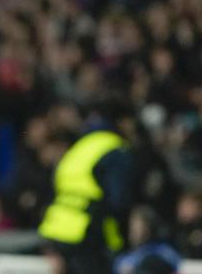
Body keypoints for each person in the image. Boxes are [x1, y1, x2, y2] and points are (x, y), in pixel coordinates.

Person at [39, 94, 135, 274]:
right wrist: (122, 242)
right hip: (87, 235)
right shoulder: (115, 149)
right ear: (123, 121)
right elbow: (119, 201)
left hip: (56, 229)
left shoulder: (80, 146)